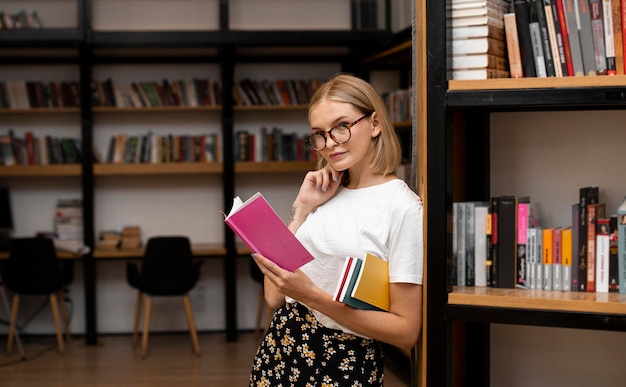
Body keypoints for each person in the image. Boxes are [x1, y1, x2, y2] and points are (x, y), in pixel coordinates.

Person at [249, 73, 423, 386]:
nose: (329, 143)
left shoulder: (403, 207)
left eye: (341, 127)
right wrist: (301, 209)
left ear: (374, 124)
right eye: (320, 134)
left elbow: (407, 331)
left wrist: (312, 297)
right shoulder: (324, 193)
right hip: (280, 351)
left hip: (342, 361)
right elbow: (274, 297)